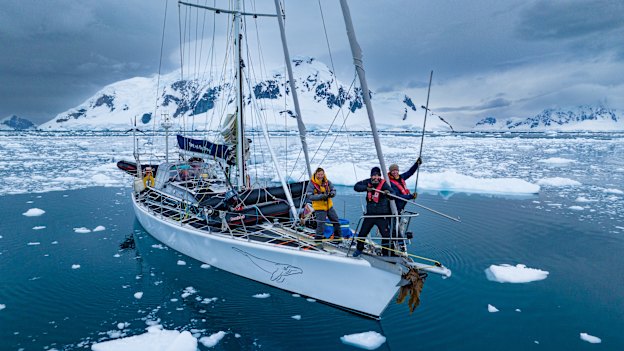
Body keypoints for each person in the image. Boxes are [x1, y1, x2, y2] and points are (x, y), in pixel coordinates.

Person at [352, 166, 395, 257]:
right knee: (362, 233)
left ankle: (386, 253)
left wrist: (388, 193)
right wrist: (366, 188)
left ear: (380, 176)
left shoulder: (384, 184)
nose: (375, 177)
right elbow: (356, 187)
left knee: (385, 235)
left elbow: (393, 194)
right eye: (373, 175)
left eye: (377, 175)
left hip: (381, 216)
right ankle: (359, 249)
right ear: (371, 176)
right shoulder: (367, 182)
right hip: (370, 215)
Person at [306, 167, 342, 244]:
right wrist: (321, 196)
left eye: (322, 174)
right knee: (321, 224)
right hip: (319, 208)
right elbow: (309, 196)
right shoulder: (311, 183)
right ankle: (318, 241)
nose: (321, 176)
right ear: (316, 174)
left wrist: (332, 194)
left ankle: (338, 238)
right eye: (319, 174)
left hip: (329, 206)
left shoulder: (327, 181)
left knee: (336, 221)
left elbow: (333, 189)